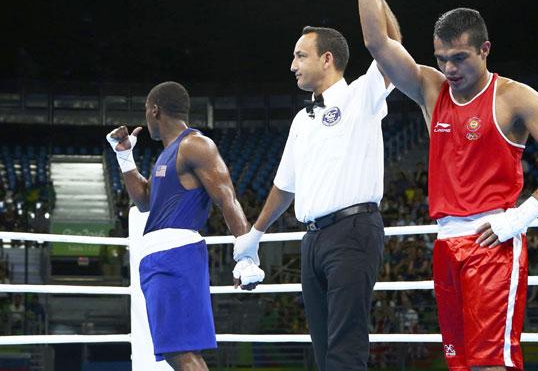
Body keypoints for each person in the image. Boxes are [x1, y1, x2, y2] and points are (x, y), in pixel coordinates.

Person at [342, 0, 538, 370]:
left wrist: (523, 215)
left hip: (493, 241)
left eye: (459, 58)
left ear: (484, 50)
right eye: (443, 58)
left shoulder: (513, 98)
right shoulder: (431, 90)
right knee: (461, 365)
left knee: (493, 364)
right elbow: (379, 46)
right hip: (445, 245)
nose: (450, 68)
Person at [233, 21, 400, 370]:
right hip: (312, 240)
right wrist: (255, 234)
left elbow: (391, 44)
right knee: (323, 348)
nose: (292, 65)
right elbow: (284, 186)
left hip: (353, 231)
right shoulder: (301, 120)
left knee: (345, 345)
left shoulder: (361, 95)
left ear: (327, 59)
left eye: (300, 56)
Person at [106, 81, 264, 371]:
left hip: (175, 256)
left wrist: (246, 254)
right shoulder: (167, 154)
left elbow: (226, 197)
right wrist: (124, 156)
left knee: (180, 352)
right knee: (173, 351)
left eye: (145, 111)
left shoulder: (195, 144)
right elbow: (144, 201)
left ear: (155, 110)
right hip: (160, 257)